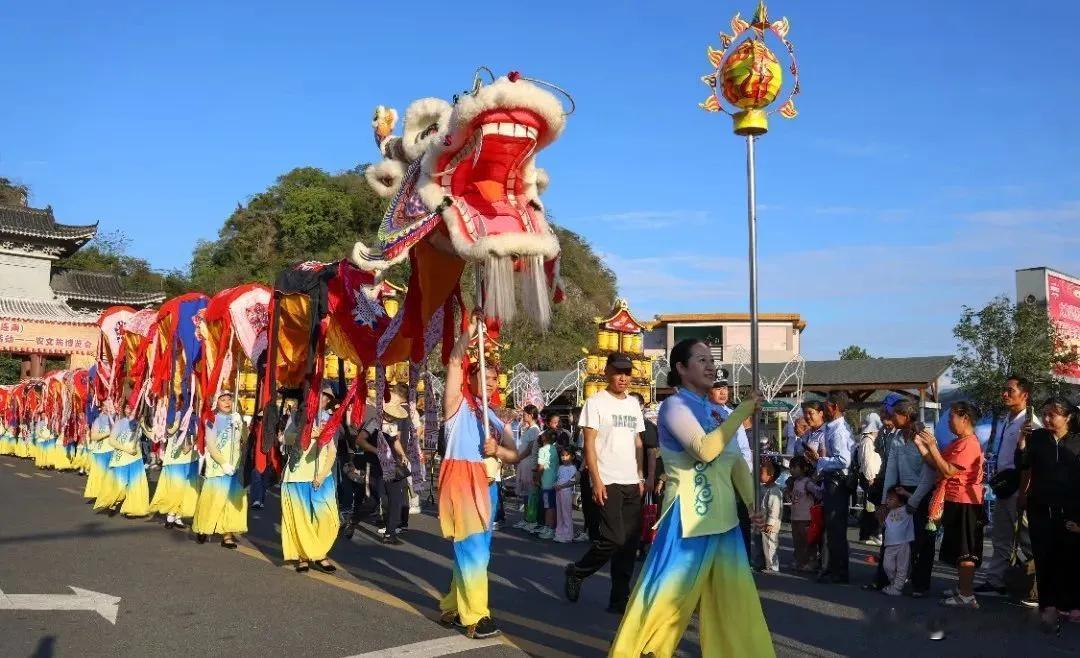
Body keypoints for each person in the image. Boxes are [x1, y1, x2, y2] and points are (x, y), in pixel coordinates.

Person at [608, 338, 772, 657]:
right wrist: (742, 412)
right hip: (688, 519)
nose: (710, 365)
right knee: (665, 601)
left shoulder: (719, 411)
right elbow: (706, 450)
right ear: (681, 369)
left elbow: (735, 461)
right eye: (700, 360)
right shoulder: (674, 407)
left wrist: (752, 504)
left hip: (724, 522)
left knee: (736, 603)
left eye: (711, 359)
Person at [436, 313, 520, 640]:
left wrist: (498, 447)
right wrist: (469, 333)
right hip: (461, 477)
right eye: (484, 378)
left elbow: (514, 451)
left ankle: (454, 604)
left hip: (487, 484)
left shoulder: (491, 416)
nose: (490, 383)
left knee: (479, 551)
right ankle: (474, 616)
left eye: (495, 380)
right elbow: (455, 362)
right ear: (470, 379)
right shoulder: (456, 404)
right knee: (472, 549)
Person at [564, 353, 646, 615]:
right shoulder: (595, 402)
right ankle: (578, 571)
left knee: (629, 545)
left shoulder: (634, 404)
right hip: (607, 479)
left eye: (627, 372)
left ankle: (619, 600)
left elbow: (638, 443)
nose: (623, 377)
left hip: (632, 481)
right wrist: (595, 480)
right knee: (613, 538)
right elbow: (589, 444)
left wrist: (642, 475)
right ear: (608, 372)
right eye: (618, 371)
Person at [913, 401, 985, 609]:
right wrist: (921, 444)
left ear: (965, 418)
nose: (948, 421)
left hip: (966, 501)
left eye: (952, 416)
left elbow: (947, 471)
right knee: (957, 547)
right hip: (954, 498)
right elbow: (935, 464)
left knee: (966, 550)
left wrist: (933, 445)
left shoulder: (969, 443)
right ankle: (962, 588)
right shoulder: (958, 442)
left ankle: (967, 595)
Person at [1019, 397, 1080, 631]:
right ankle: (1048, 606)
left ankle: (1073, 604)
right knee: (1045, 559)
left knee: (1071, 559)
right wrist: (1022, 443)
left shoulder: (1077, 441)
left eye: (1052, 414)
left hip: (1071, 511)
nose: (1045, 419)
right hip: (1041, 508)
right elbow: (1023, 466)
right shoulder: (1037, 438)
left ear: (1068, 417)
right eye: (1044, 414)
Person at [975, 376, 1038, 599]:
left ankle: (1038, 586)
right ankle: (996, 581)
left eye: (1010, 391)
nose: (1005, 394)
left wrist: (1024, 492)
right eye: (1004, 390)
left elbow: (1031, 462)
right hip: (1003, 486)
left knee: (1027, 537)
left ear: (1025, 395)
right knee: (1001, 535)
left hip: (1019, 488)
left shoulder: (1030, 424)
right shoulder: (1006, 420)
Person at [280, 390, 339, 573]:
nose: (323, 399)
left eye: (327, 397)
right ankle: (304, 556)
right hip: (297, 474)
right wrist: (305, 434)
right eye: (320, 394)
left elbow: (332, 451)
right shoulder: (298, 416)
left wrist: (322, 475)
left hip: (321, 475)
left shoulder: (331, 419)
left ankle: (319, 551)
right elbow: (285, 438)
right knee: (301, 519)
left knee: (328, 518)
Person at [805, 392, 854, 584]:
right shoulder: (833, 427)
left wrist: (820, 460)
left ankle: (839, 572)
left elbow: (844, 460)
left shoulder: (839, 429)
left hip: (837, 481)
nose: (824, 408)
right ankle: (834, 568)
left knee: (836, 528)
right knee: (832, 528)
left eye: (826, 405)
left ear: (833, 407)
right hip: (831, 480)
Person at [193, 391, 247, 549]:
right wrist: (223, 463)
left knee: (232, 501)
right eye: (223, 400)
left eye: (229, 399)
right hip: (218, 467)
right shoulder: (212, 419)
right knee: (212, 501)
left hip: (235, 467)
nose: (227, 402)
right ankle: (203, 527)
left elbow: (245, 438)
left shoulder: (236, 417)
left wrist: (241, 424)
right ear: (217, 402)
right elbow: (210, 444)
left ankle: (227, 534)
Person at [709, 381, 753, 560]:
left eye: (725, 388)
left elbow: (744, 448)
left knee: (740, 520)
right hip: (713, 477)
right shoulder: (702, 413)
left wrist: (744, 474)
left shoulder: (732, 415)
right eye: (718, 388)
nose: (723, 393)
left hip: (735, 476)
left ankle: (742, 560)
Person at [94, 401, 150, 518]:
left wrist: (145, 424)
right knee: (120, 486)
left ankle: (132, 509)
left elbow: (153, 436)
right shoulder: (120, 423)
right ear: (124, 409)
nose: (130, 409)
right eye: (128, 407)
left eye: (132, 407)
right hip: (121, 458)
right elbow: (112, 441)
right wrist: (126, 449)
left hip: (136, 457)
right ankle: (114, 502)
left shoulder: (140, 422)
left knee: (135, 485)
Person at [149, 428, 200, 529]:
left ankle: (178, 516)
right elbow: (169, 431)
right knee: (175, 488)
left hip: (191, 458)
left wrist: (192, 444)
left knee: (188, 490)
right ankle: (171, 514)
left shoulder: (198, 415)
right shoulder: (173, 413)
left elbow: (202, 433)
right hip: (175, 458)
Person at [786, 455, 821, 572]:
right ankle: (800, 561)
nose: (791, 470)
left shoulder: (807, 482)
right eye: (790, 467)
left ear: (803, 468)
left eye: (794, 467)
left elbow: (818, 492)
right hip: (795, 517)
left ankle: (811, 562)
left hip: (806, 518)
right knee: (797, 541)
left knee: (808, 541)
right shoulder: (794, 482)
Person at [880, 487, 914, 596]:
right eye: (887, 498)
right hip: (889, 545)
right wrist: (879, 519)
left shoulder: (906, 510)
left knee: (902, 567)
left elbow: (915, 500)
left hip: (903, 544)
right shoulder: (888, 513)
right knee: (887, 566)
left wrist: (905, 492)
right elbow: (885, 526)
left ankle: (897, 588)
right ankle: (894, 583)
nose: (887, 500)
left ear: (900, 502)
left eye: (891, 499)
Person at [512, 405, 541, 532]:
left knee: (531, 493)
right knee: (525, 492)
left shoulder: (535, 430)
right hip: (524, 463)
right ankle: (525, 519)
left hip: (529, 463)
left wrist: (518, 458)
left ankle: (531, 520)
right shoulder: (528, 429)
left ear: (530, 415)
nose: (523, 416)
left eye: (524, 414)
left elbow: (530, 449)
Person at [857, 413, 884, 545]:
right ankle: (873, 533)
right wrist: (871, 478)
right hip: (870, 477)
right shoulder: (868, 441)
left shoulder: (869, 439)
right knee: (871, 507)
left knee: (870, 507)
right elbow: (867, 461)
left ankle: (866, 534)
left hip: (870, 477)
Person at [83, 401, 116, 504]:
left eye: (108, 406)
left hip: (111, 450)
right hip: (100, 451)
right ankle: (98, 494)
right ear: (101, 407)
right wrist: (107, 433)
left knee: (109, 475)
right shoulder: (98, 420)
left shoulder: (114, 418)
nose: (107, 408)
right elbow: (94, 436)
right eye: (105, 406)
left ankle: (109, 496)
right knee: (99, 475)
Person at [755, 460, 782, 573]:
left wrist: (770, 523)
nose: (759, 475)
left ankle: (772, 566)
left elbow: (774, 509)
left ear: (770, 475)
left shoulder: (775, 491)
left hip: (770, 525)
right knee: (760, 544)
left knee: (770, 545)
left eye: (762, 472)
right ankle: (761, 563)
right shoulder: (763, 488)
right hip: (761, 522)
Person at [535, 426, 559, 540]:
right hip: (554, 480)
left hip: (546, 482)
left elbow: (541, 467)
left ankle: (549, 528)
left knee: (548, 506)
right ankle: (551, 527)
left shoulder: (543, 450)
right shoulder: (554, 448)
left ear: (545, 437)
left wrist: (537, 478)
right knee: (552, 506)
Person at [554, 445, 580, 543]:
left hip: (566, 492)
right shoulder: (560, 467)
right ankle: (559, 533)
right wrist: (556, 484)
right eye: (562, 455)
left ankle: (568, 535)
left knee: (566, 513)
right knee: (559, 513)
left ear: (572, 456)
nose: (564, 458)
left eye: (566, 455)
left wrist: (562, 486)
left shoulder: (573, 468)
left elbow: (572, 481)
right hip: (559, 492)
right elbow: (558, 479)